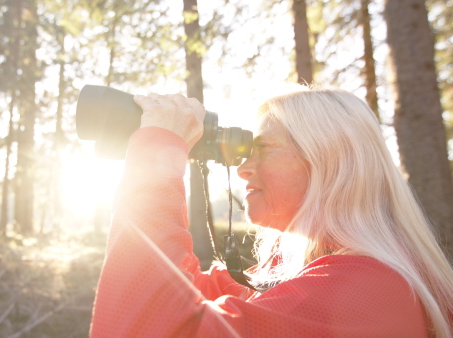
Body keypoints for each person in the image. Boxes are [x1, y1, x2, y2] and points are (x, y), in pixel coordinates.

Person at [89, 85, 453, 337]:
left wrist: (156, 155)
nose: (244, 168)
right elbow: (178, 288)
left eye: (265, 149)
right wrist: (162, 139)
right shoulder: (307, 273)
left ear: (328, 162)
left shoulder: (365, 291)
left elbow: (144, 326)